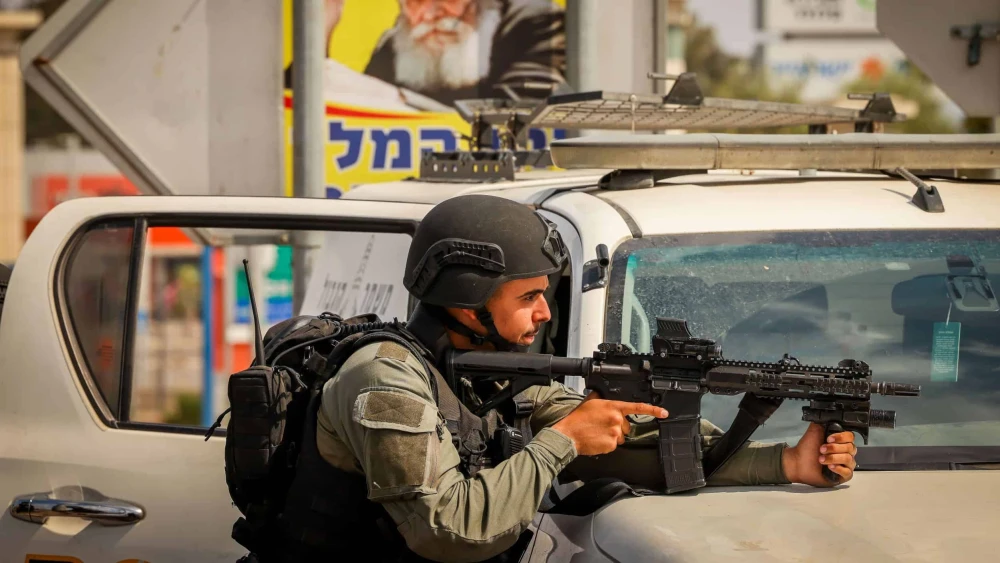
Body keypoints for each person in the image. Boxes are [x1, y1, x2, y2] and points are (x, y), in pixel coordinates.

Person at [274, 194, 858, 562]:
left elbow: (635, 447)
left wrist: (787, 462)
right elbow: (448, 529)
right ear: (468, 302)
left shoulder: (488, 376)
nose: (544, 314)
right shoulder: (384, 381)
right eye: (528, 297)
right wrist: (564, 440)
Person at [363, 0, 568, 106]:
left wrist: (398, 99)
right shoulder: (396, 44)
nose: (431, 14)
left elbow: (522, 118)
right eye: (417, 1)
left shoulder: (537, 21)